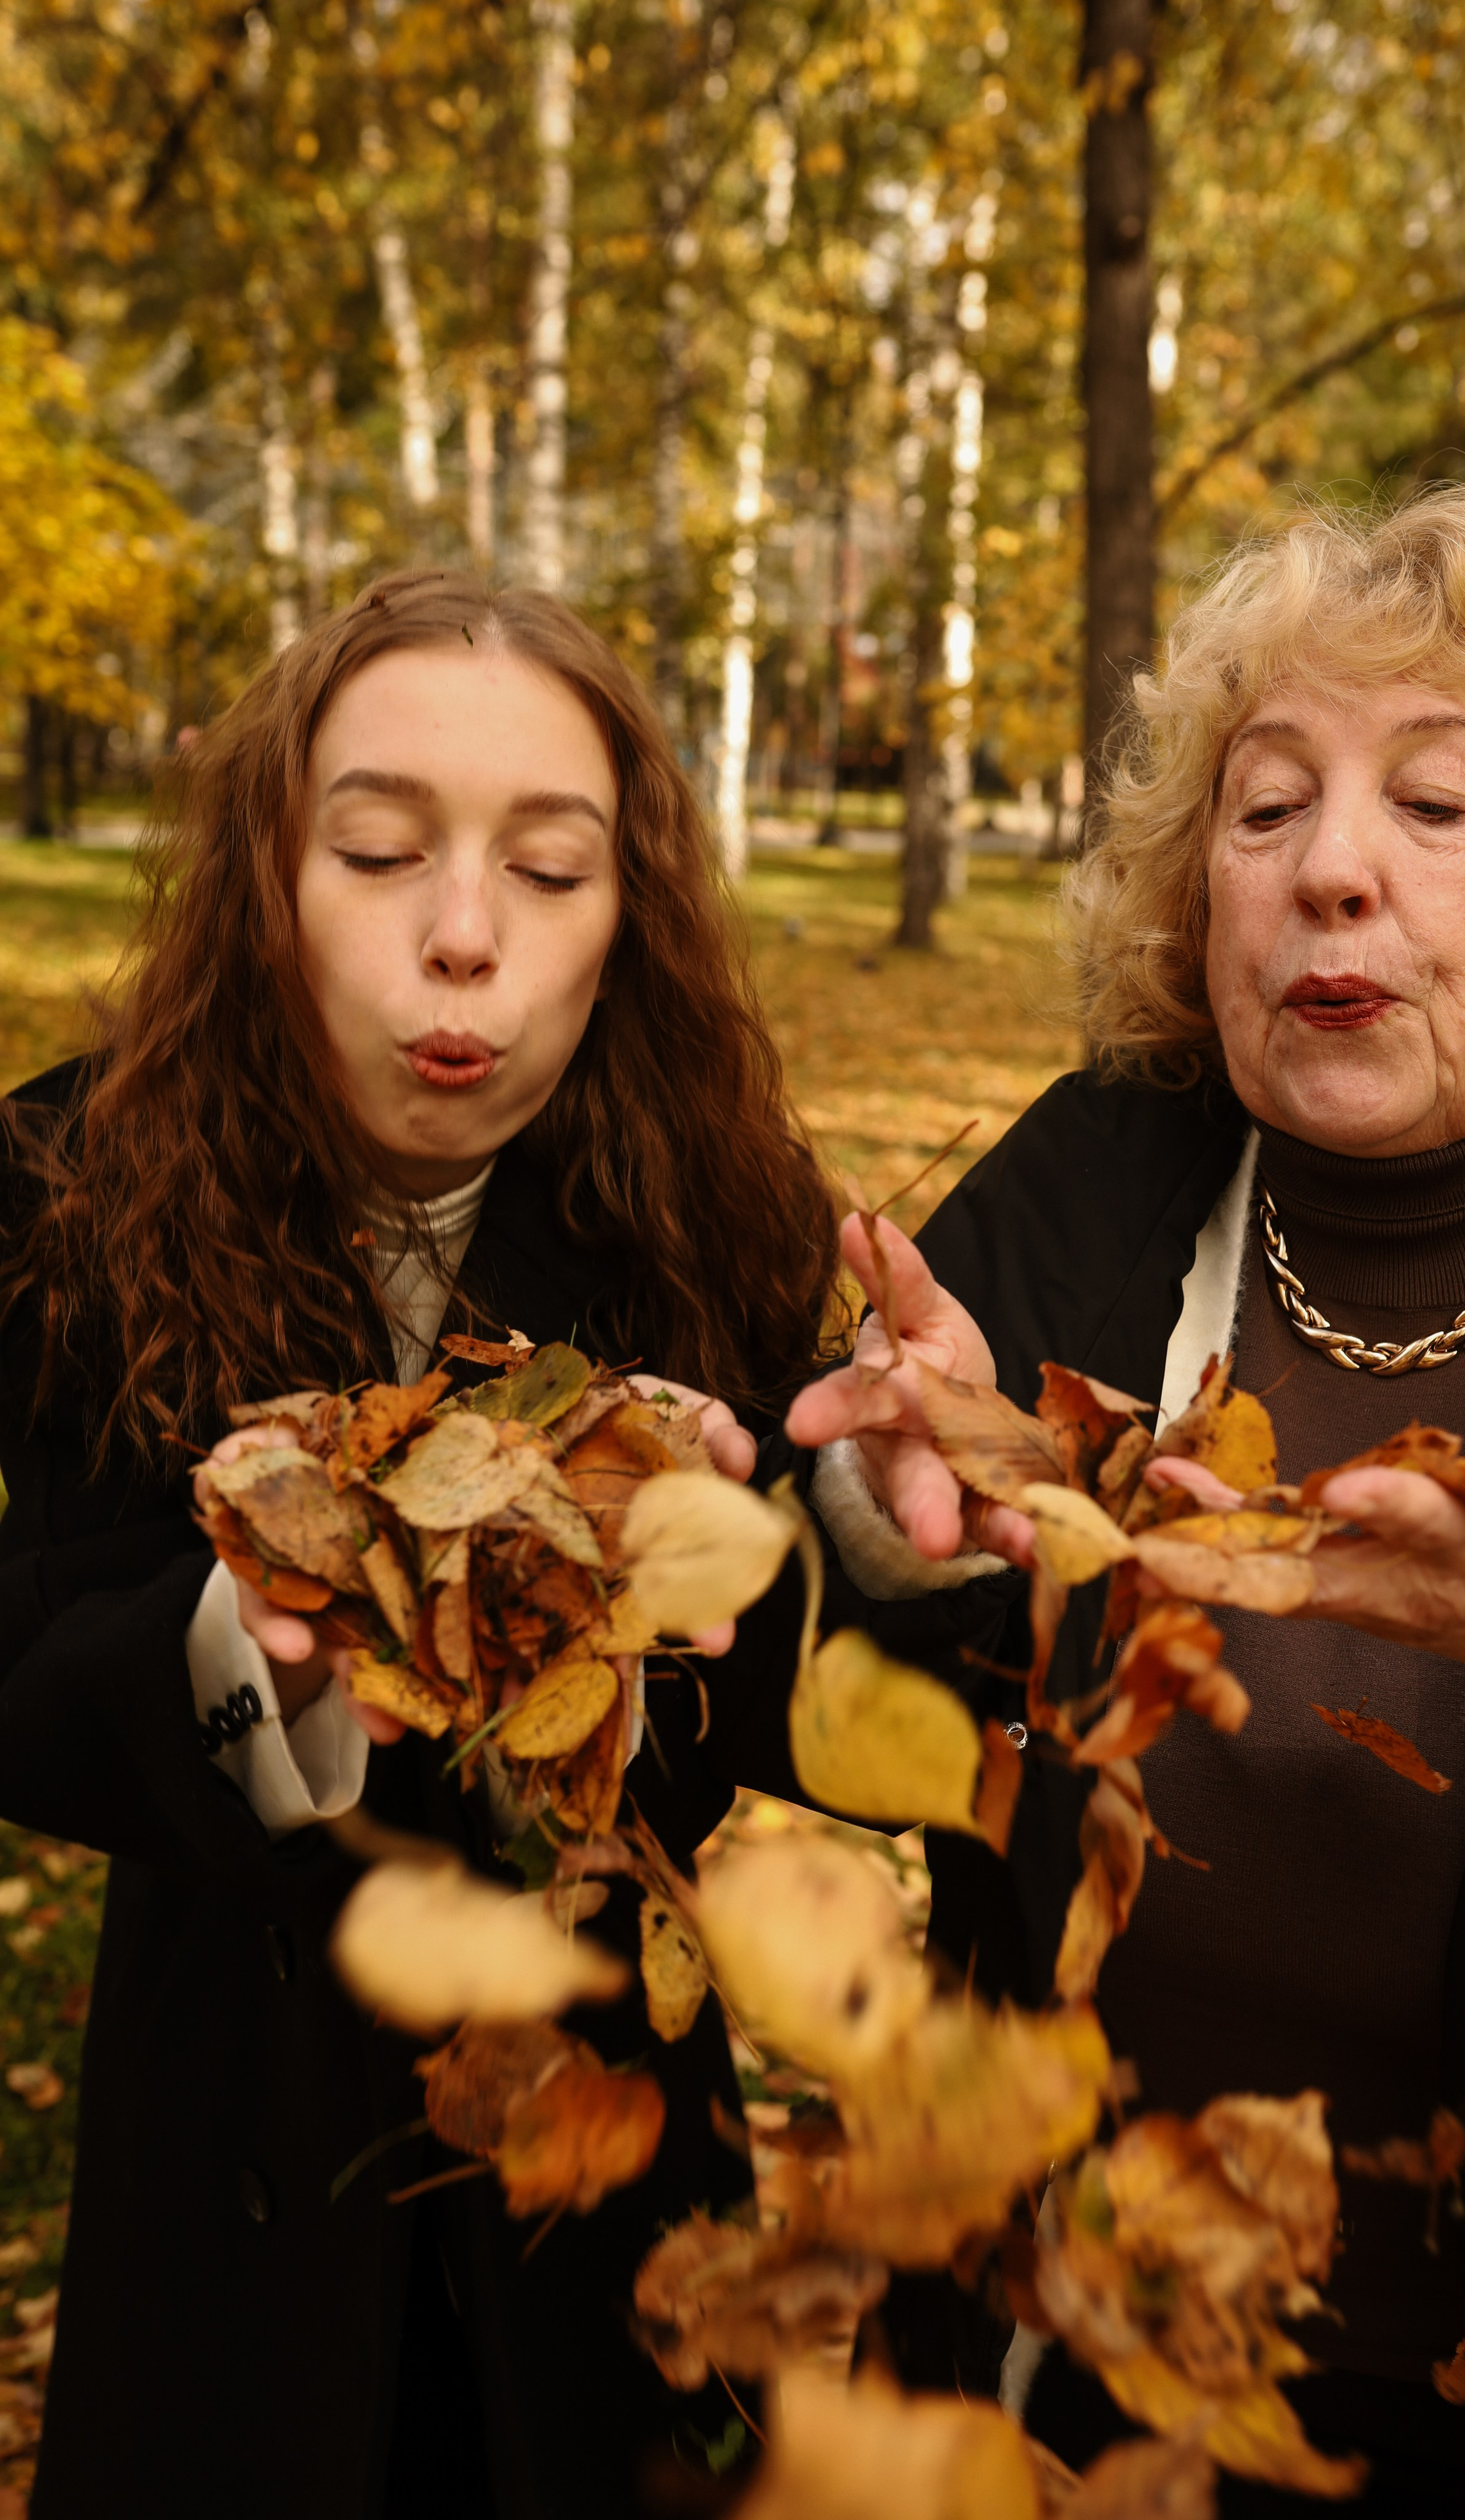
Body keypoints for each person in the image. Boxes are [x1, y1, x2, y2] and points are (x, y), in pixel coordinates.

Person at [785, 490, 1465, 2519]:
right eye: (1266, 810)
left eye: (1433, 805)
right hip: (1060, 2385)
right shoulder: (1104, 1177)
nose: (1330, 871)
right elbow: (823, 1677)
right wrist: (887, 1509)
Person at [0, 571, 835, 2519]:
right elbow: (34, 1659)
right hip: (231, 2189)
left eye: (549, 871)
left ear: (629, 919)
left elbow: (779, 1715)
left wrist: (755, 1561)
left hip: (604, 2211)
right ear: (267, 885)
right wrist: (238, 1650)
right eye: (379, 852)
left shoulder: (720, 1215)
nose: (464, 935)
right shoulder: (71, 1190)